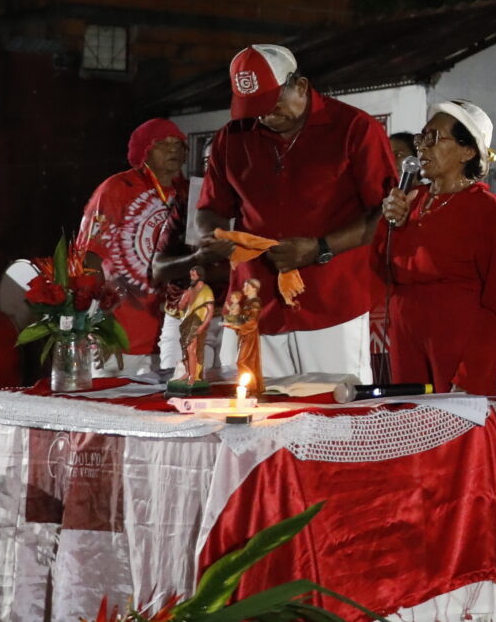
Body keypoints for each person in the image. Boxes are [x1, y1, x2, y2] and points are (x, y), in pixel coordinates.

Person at [195, 44, 397, 382]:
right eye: (252, 108)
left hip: (332, 302)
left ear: (300, 86)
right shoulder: (230, 138)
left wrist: (320, 248)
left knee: (334, 414)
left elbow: (385, 216)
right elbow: (210, 210)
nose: (263, 116)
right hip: (253, 300)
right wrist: (214, 236)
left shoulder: (355, 129)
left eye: (271, 105)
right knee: (255, 418)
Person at [377, 101, 496, 395]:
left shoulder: (484, 208)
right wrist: (392, 224)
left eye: (434, 139)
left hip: (455, 338)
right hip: (405, 334)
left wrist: (474, 369)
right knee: (410, 425)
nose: (422, 148)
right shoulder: (410, 198)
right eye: (421, 138)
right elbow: (381, 266)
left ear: (468, 151)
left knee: (455, 431)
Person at [76, 117, 188, 373]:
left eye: (178, 144)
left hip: (172, 337)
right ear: (143, 151)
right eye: (162, 143)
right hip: (119, 338)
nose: (173, 149)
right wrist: (94, 324)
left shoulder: (189, 192)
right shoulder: (116, 189)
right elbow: (89, 258)